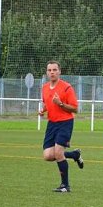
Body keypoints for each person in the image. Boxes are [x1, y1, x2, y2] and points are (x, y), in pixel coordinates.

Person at [39, 61, 83, 193]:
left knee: (58, 152)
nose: (52, 72)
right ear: (47, 72)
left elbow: (75, 108)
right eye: (49, 70)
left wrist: (61, 104)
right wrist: (43, 110)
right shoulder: (45, 87)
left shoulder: (66, 87)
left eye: (54, 70)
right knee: (47, 156)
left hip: (65, 122)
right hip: (52, 124)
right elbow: (47, 103)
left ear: (59, 72)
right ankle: (75, 154)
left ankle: (65, 185)